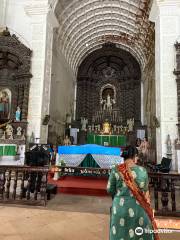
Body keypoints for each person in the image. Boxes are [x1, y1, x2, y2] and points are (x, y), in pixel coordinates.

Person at [107, 146, 159, 240]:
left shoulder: (116, 170)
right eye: (137, 156)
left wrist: (120, 195)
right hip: (139, 208)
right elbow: (146, 192)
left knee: (120, 234)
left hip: (120, 208)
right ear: (135, 156)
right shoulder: (143, 171)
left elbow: (110, 189)